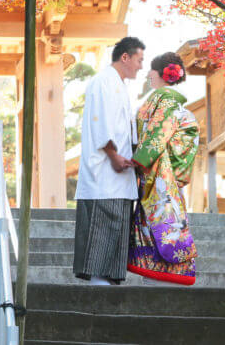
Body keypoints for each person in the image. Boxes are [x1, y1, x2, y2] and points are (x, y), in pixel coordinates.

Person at [73, 36, 145, 285]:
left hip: (119, 172)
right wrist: (114, 155)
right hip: (103, 172)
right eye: (139, 60)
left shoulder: (119, 85)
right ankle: (97, 284)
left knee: (116, 230)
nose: (140, 66)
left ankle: (107, 283)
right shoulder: (102, 82)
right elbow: (100, 123)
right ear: (125, 57)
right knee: (102, 229)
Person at [127, 52, 200, 285]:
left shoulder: (166, 99)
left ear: (160, 74)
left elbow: (159, 132)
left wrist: (140, 158)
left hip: (159, 163)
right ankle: (166, 266)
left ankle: (162, 265)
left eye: (151, 70)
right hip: (168, 165)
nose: (148, 74)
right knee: (164, 215)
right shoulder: (169, 100)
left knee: (163, 215)